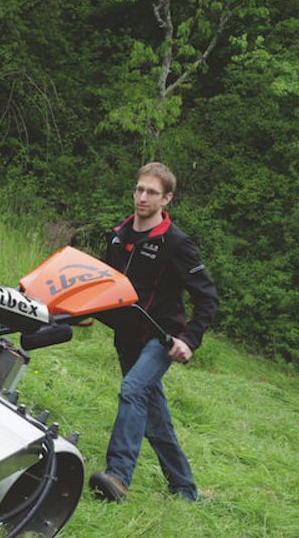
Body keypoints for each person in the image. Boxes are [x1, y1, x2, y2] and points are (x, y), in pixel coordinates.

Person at [89, 162, 217, 503]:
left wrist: (189, 340)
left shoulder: (177, 243)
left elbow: (207, 297)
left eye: (152, 192)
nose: (142, 197)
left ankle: (118, 476)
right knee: (154, 417)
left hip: (161, 338)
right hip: (126, 336)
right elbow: (103, 284)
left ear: (167, 199)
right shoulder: (119, 235)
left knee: (132, 390)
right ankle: (185, 489)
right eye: (139, 189)